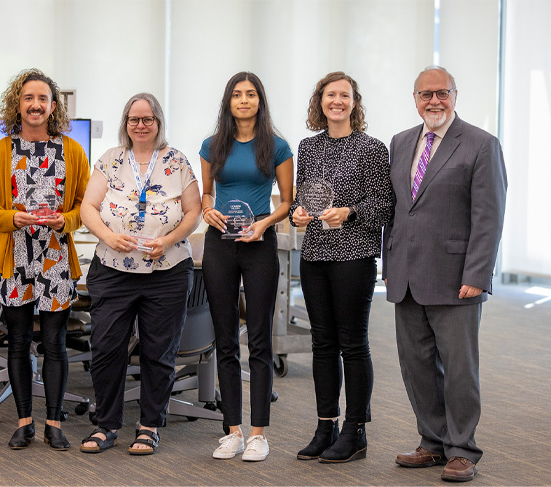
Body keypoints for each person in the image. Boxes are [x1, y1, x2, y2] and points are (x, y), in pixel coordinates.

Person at [383, 66, 507, 482]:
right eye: (425, 94)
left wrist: (478, 273)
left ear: (455, 94)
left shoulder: (480, 144)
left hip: (457, 278)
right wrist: (390, 262)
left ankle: (462, 449)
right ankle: (432, 442)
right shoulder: (400, 143)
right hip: (406, 276)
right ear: (414, 98)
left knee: (458, 368)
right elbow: (398, 211)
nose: (434, 101)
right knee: (416, 366)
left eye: (442, 93)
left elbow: (488, 217)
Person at [79, 92, 201, 455]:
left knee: (158, 352)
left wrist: (169, 240)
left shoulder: (176, 160)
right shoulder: (111, 159)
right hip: (114, 269)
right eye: (134, 119)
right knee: (106, 348)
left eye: (148, 119)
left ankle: (149, 426)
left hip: (167, 269)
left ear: (159, 123)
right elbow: (88, 206)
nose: (141, 125)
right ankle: (106, 424)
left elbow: (193, 211)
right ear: (125, 124)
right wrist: (107, 235)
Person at [0, 68, 90, 451]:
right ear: (18, 103)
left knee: (56, 344)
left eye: (43, 98)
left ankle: (54, 423)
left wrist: (66, 220)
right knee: (18, 342)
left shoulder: (73, 151)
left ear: (53, 105)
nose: (35, 105)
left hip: (56, 258)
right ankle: (24, 422)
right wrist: (13, 219)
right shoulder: (0, 151)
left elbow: (84, 209)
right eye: (29, 98)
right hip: (16, 258)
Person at [289, 72, 392, 463]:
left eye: (344, 95)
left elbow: (384, 207)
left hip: (355, 257)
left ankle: (355, 432)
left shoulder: (372, 148)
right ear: (320, 101)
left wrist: (348, 213)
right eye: (330, 95)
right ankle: (324, 427)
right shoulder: (309, 147)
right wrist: (300, 213)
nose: (337, 101)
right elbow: (306, 198)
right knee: (322, 345)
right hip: (315, 255)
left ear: (354, 101)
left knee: (352, 344)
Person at [200, 71, 293, 462]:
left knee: (258, 340)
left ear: (260, 101)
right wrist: (207, 209)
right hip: (220, 244)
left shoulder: (277, 146)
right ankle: (232, 430)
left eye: (250, 94)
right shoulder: (211, 144)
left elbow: (287, 201)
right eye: (237, 94)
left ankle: (258, 434)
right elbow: (206, 193)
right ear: (228, 101)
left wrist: (265, 224)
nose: (243, 100)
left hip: (258, 243)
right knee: (224, 339)